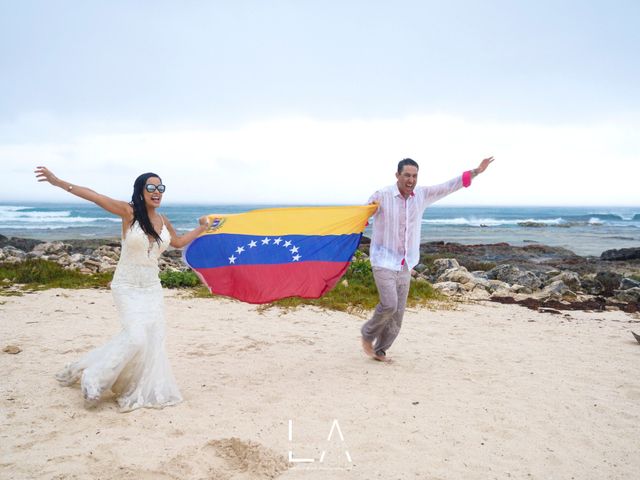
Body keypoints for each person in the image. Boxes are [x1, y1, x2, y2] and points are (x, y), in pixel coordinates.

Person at [35, 167, 209, 411]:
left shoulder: (163, 220)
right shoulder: (129, 212)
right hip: (126, 285)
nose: (157, 192)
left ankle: (122, 381)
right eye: (151, 187)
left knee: (150, 340)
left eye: (160, 188)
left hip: (152, 287)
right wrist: (58, 182)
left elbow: (178, 242)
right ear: (141, 191)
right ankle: (93, 378)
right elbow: (94, 196)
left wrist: (202, 227)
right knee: (136, 337)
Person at [361, 156, 494, 362]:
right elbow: (364, 213)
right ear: (397, 175)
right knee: (389, 304)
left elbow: (448, 186)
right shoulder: (383, 195)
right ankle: (368, 334)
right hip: (383, 259)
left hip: (406, 262)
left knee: (398, 315)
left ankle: (381, 350)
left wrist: (476, 172)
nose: (411, 180)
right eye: (407, 175)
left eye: (414, 176)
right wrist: (359, 223)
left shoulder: (421, 195)